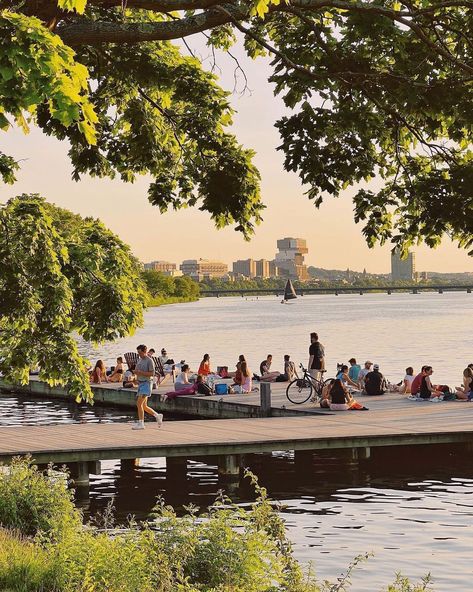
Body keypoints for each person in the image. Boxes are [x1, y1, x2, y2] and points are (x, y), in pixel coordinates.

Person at [132, 344, 163, 430]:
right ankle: (157, 415)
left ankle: (141, 423)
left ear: (145, 351)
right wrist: (135, 377)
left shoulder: (149, 361)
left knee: (139, 403)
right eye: (138, 353)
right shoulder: (139, 360)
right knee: (144, 406)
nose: (139, 354)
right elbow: (138, 371)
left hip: (147, 383)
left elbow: (152, 374)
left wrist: (140, 372)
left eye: (140, 352)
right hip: (141, 383)